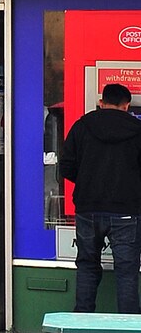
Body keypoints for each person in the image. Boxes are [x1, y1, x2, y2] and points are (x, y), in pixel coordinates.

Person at [61, 80, 141, 313]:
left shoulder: (82, 126)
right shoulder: (137, 130)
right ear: (126, 105)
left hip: (88, 209)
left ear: (101, 102)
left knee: (87, 266)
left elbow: (66, 166)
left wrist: (88, 182)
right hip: (127, 211)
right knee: (126, 272)